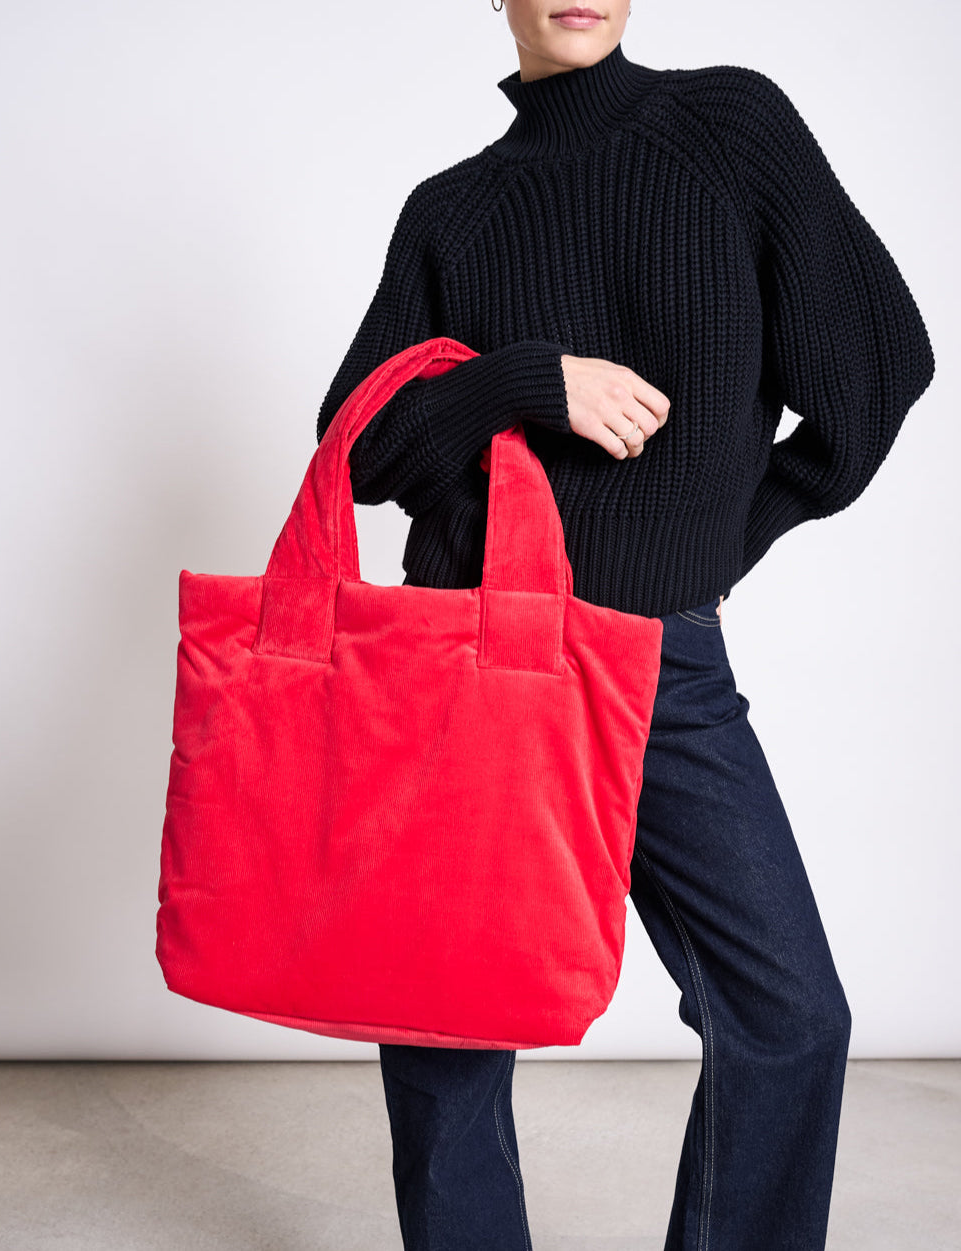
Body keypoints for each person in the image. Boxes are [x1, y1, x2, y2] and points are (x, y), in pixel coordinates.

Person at [315, 3, 936, 1248]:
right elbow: (362, 443)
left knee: (788, 1015)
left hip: (656, 659)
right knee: (449, 1016)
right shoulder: (452, 209)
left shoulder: (727, 127)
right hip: (470, 651)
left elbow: (876, 369)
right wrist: (521, 379)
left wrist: (714, 544)